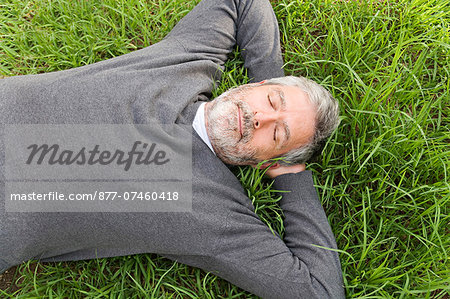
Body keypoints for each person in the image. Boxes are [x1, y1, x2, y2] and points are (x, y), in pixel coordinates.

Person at [0, 0, 345, 297]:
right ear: (258, 85)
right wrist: (273, 79)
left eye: (277, 134)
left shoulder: (214, 213)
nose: (260, 118)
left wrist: (290, 175)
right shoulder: (188, 61)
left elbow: (319, 290)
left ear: (264, 161)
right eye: (271, 100)